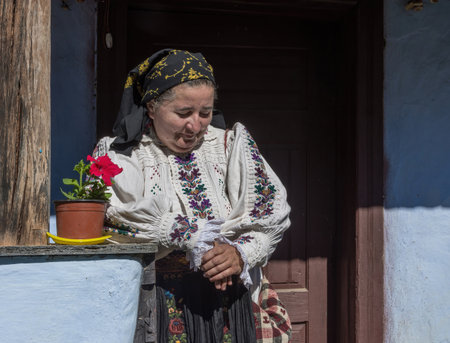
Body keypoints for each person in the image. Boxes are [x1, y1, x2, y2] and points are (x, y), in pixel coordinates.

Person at [94, 49, 292, 342]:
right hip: (157, 305)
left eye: (205, 112)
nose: (196, 125)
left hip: (234, 305)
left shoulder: (229, 146)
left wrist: (240, 254)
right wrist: (188, 235)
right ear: (151, 107)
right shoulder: (124, 155)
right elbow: (114, 218)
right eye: (183, 113)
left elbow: (270, 214)